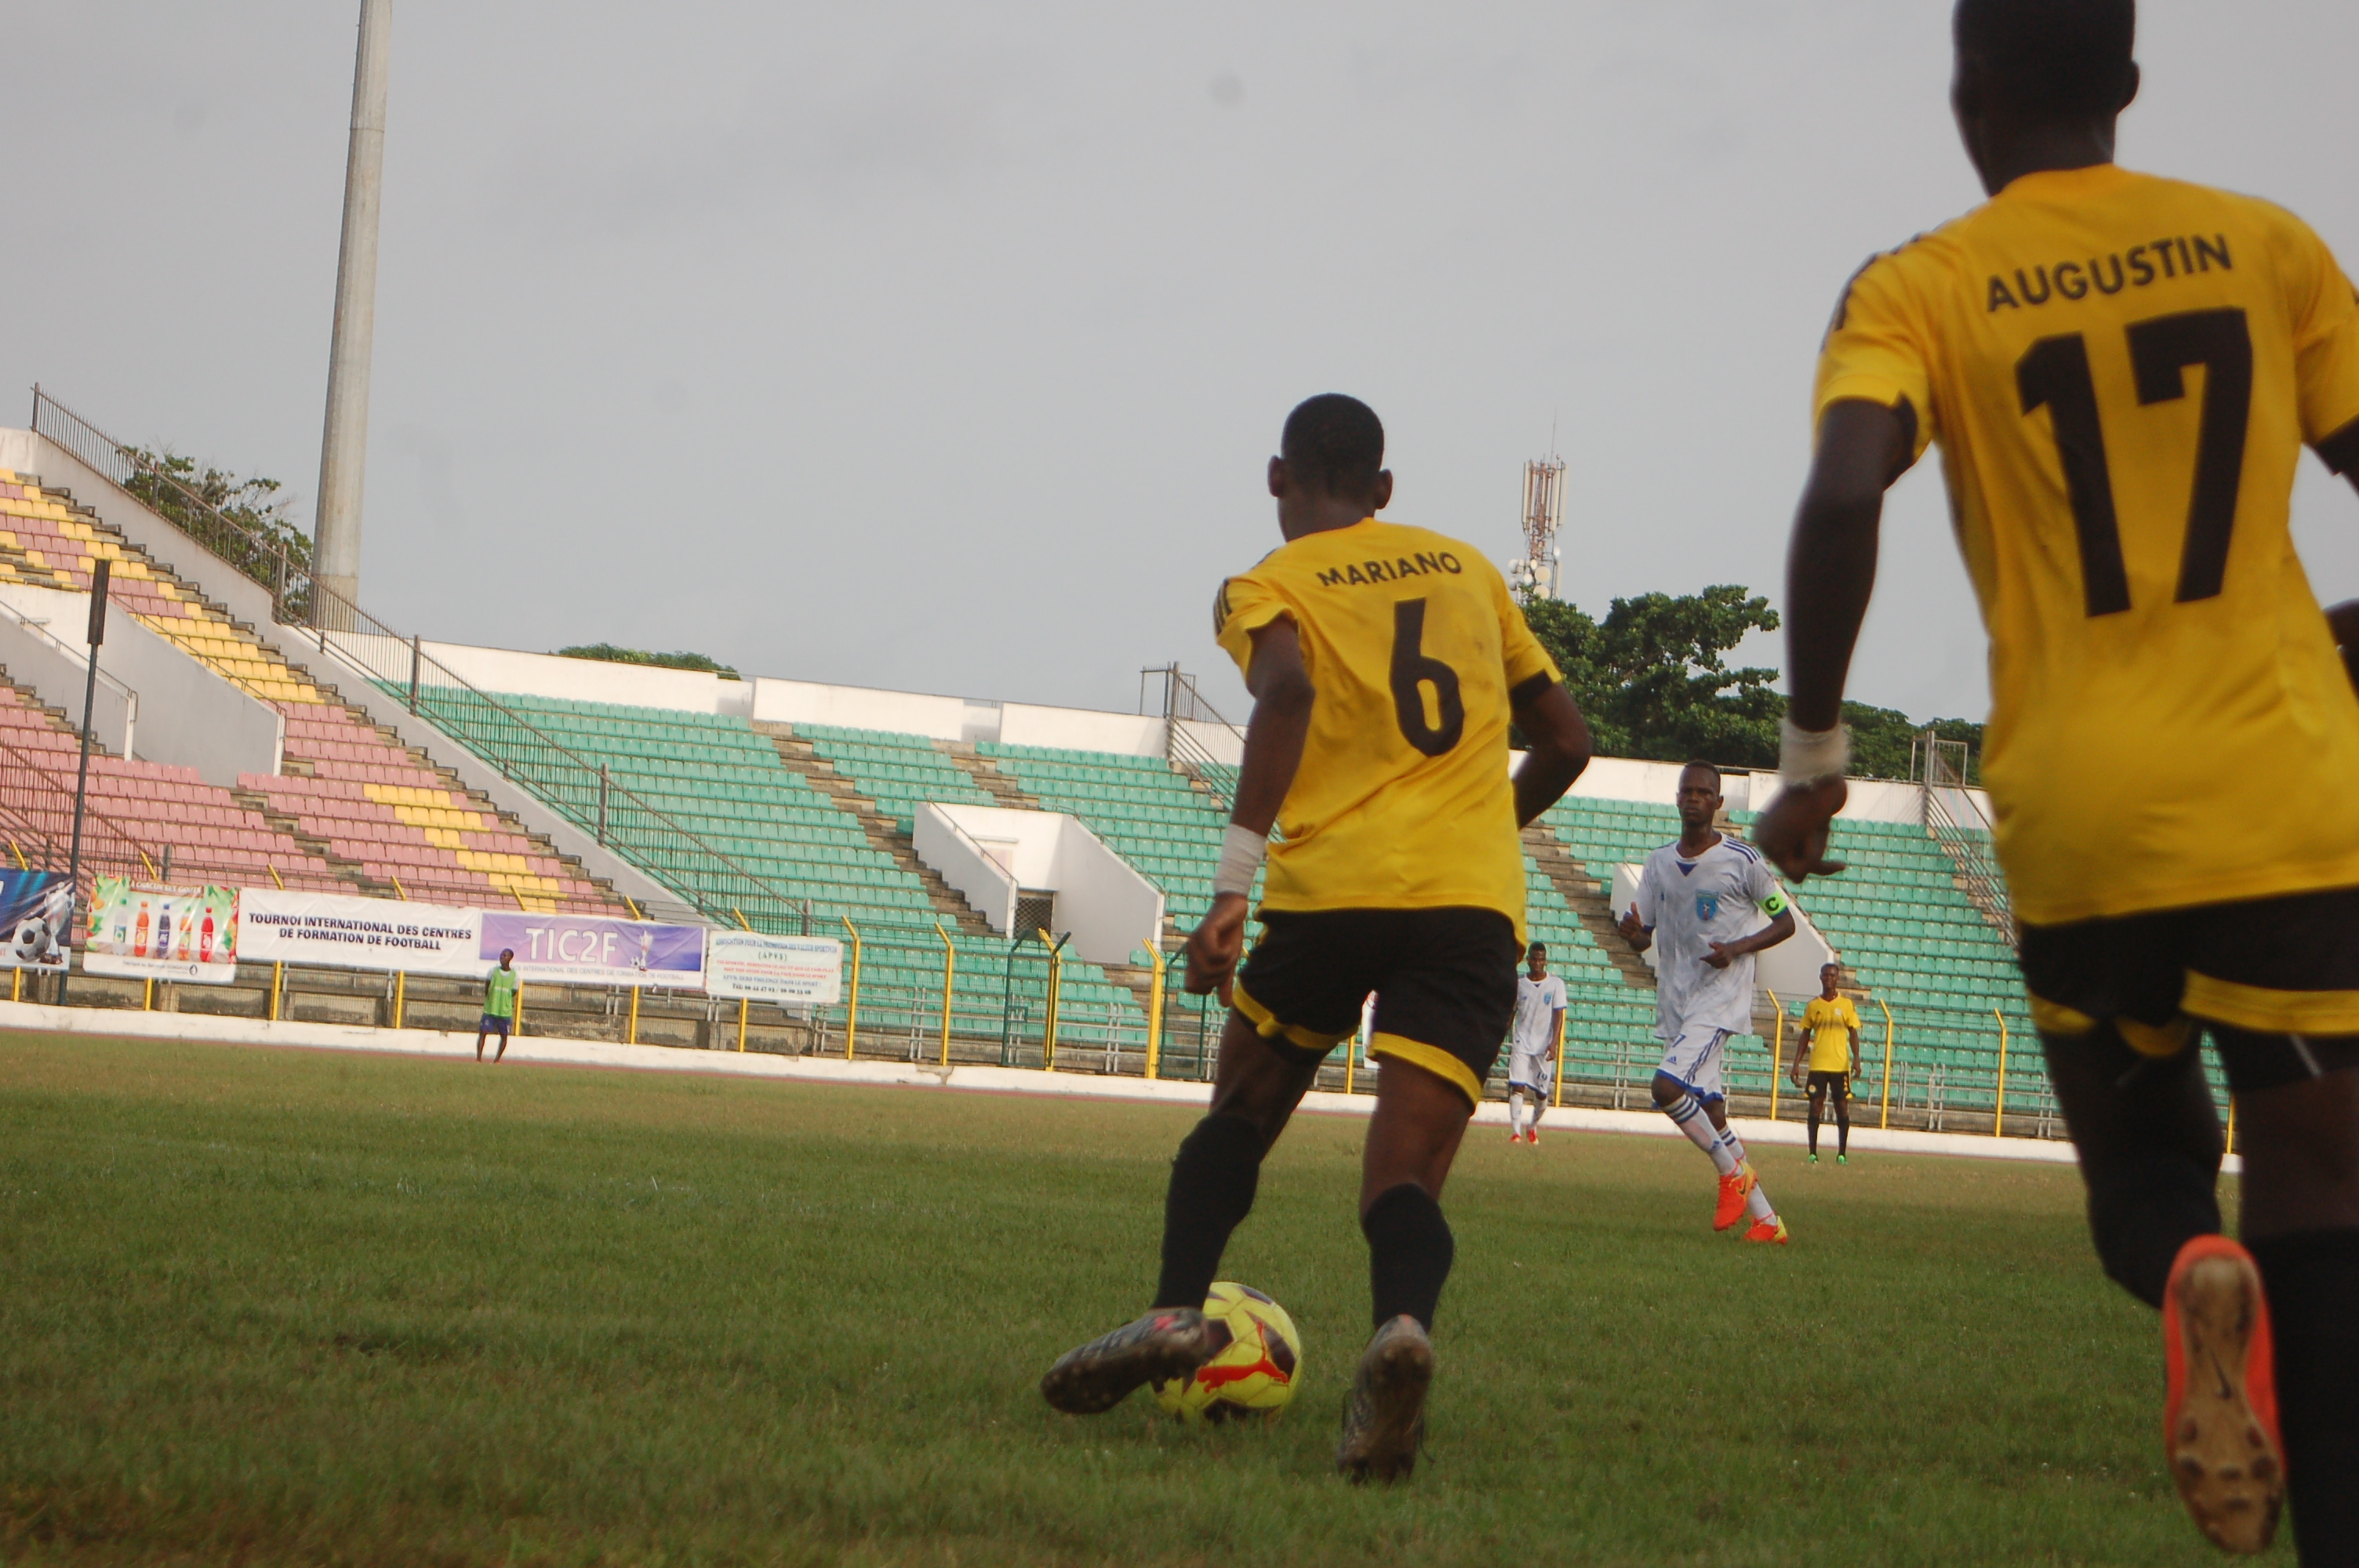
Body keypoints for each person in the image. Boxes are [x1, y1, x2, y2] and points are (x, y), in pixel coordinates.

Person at [1751, 2, 2359, 1555]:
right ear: (2127, 84)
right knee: (2322, 1194)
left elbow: (1841, 494)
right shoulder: (2267, 246)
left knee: (2144, 1174)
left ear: (1966, 95)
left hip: (2083, 818)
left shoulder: (1919, 284)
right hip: (2289, 791)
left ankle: (2185, 1275)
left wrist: (1813, 759)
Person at [1037, 394, 1594, 1483]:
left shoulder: (1265, 583)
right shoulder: (1472, 572)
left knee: (1240, 1112)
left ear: (1277, 477)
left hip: (1328, 893)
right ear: (1383, 489)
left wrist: (1229, 890)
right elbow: (1567, 742)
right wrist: (1481, 826)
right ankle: (1401, 1330)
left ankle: (1174, 1314)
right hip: (1467, 903)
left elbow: (1285, 689)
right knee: (1403, 1173)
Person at [1616, 761, 1796, 1243]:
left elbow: (1785, 923)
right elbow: (1644, 935)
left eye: (1703, 792)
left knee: (1665, 1088)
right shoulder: (1658, 863)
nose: (1693, 798)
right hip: (1676, 997)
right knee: (1711, 1113)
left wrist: (1737, 948)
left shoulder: (1743, 860)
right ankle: (1767, 1220)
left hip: (1719, 998)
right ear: (1677, 798)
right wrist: (1633, 935)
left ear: (1718, 802)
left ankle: (1732, 1175)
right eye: (1687, 791)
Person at [1790, 963, 1862, 1163]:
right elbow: (1805, 1035)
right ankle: (1812, 1153)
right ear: (1821, 977)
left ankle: (1842, 1154)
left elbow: (1853, 1032)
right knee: (1815, 1106)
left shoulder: (1846, 1005)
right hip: (1818, 1065)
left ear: (1837, 978)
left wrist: (1856, 1058)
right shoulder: (1813, 1006)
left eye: (1833, 975)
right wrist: (1796, 1063)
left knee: (1842, 1107)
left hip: (1840, 1065)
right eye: (1826, 975)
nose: (1829, 978)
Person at [1507, 942, 1566, 1144]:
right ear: (1529, 960)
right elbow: (1511, 1013)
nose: (1538, 963)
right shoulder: (1520, 984)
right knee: (1518, 1086)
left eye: (1541, 959)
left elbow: (1558, 1015)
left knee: (1541, 1094)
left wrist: (1554, 1043)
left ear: (1545, 961)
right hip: (1521, 1041)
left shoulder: (1556, 984)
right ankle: (1516, 1132)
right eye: (1534, 959)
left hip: (1543, 1045)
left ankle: (1532, 1126)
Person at [476, 949, 518, 1062]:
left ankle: (496, 1060)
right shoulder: (493, 971)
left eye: (505, 955)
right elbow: (487, 986)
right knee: (483, 1032)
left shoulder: (515, 976)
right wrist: (490, 999)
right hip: (491, 1009)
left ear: (510, 958)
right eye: (501, 955)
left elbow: (514, 992)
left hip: (504, 1012)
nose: (502, 957)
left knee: (504, 1036)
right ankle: (478, 1059)